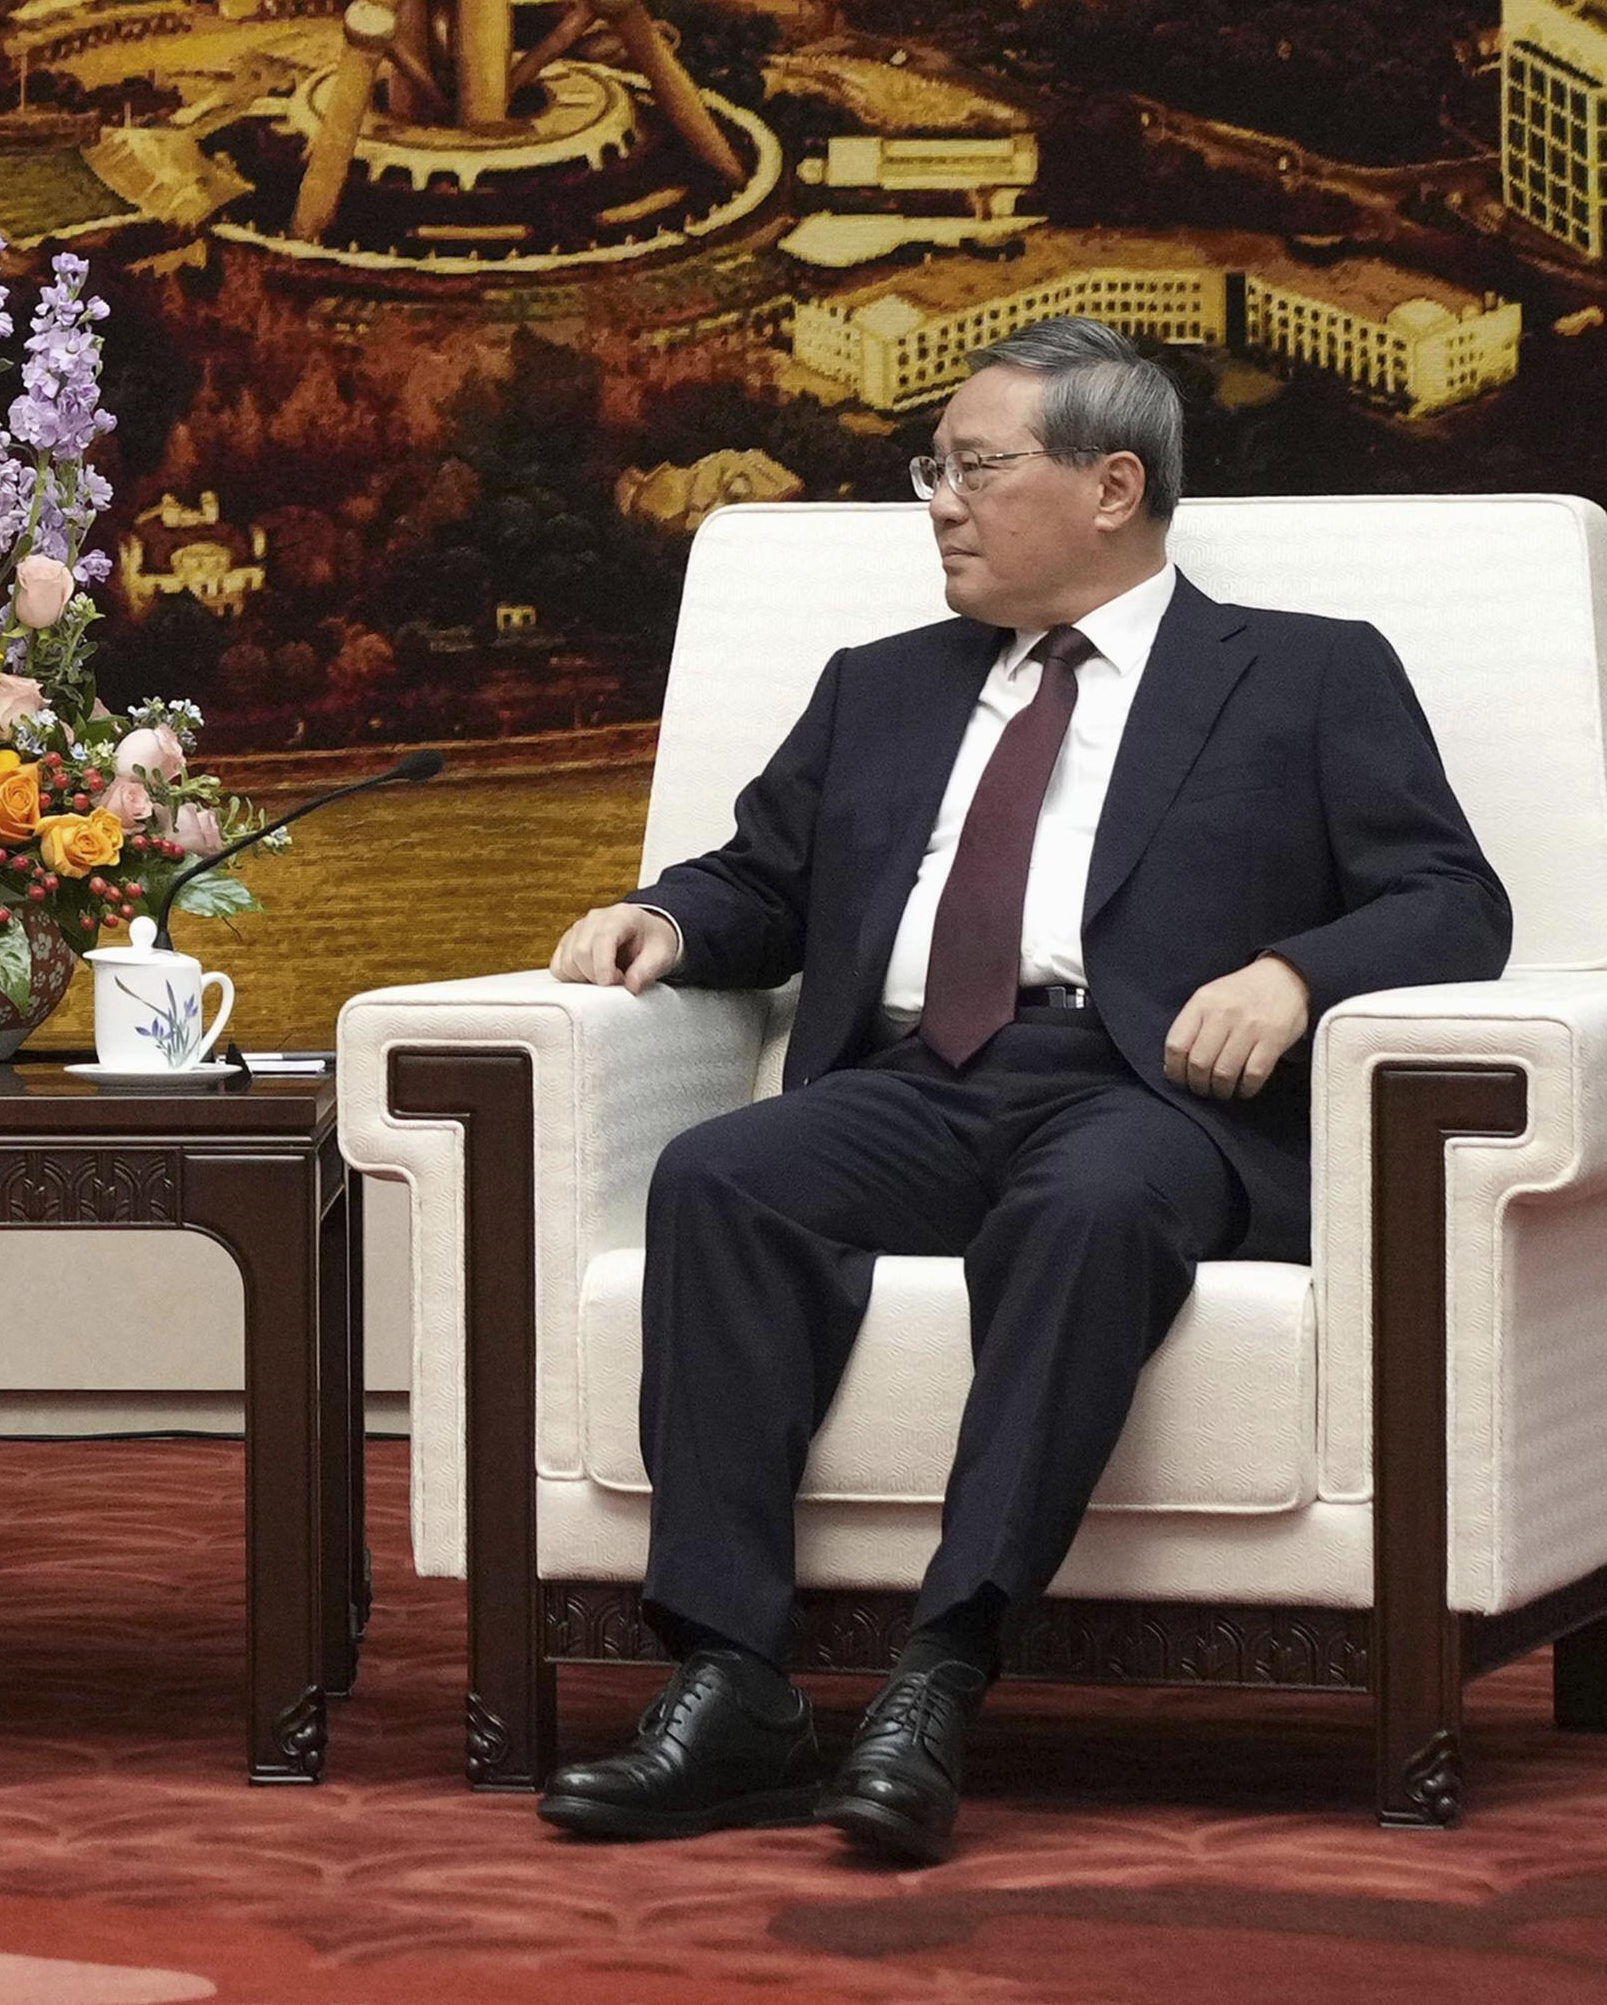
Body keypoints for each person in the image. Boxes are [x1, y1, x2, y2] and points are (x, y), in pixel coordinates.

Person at [536, 316, 1509, 1864]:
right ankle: (734, 1685)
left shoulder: (1308, 675)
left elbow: (1454, 899)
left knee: (1090, 1208)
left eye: (975, 468)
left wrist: (1293, 975)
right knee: (723, 1174)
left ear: (1113, 484)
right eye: (935, 470)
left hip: (1152, 1097)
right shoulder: (885, 686)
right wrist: (668, 916)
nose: (939, 499)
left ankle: (941, 1674)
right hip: (924, 1079)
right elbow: (760, 878)